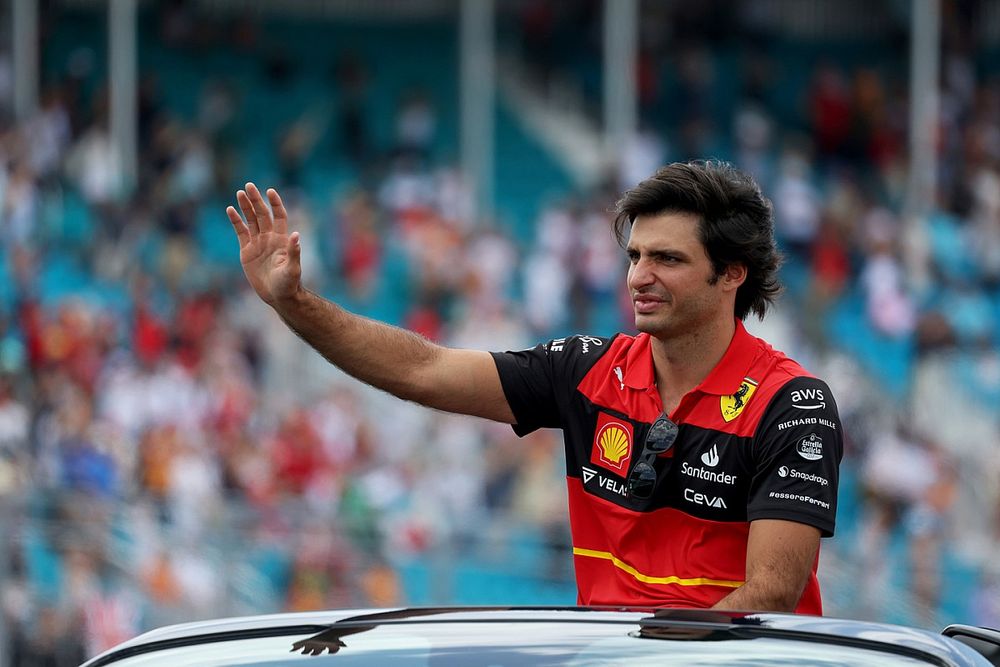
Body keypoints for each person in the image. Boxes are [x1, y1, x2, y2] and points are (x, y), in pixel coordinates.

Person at [226, 161, 843, 614]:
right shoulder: (586, 369)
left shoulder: (793, 404)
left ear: (732, 273)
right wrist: (297, 305)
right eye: (634, 256)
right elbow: (424, 370)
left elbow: (771, 592)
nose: (639, 277)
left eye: (668, 260)